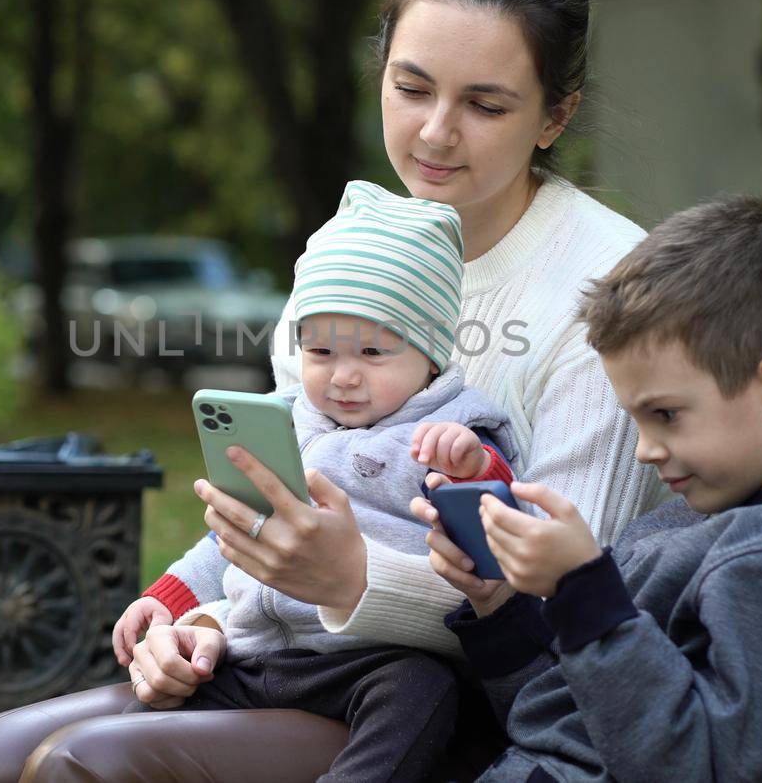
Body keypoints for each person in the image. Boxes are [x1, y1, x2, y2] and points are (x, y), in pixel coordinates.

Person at [0, 0, 664, 783]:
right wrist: (188, 620)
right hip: (281, 663)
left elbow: (567, 603)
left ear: (555, 115)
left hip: (463, 706)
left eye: (485, 106)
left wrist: (353, 577)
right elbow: (287, 492)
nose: (436, 132)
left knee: (77, 770)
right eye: (410, 86)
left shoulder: (605, 284)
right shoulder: (351, 254)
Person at [414, 196, 762, 782]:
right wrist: (499, 605)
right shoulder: (681, 524)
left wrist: (582, 589)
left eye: (665, 415)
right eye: (636, 420)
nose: (645, 449)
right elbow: (567, 727)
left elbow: (688, 767)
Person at [115, 180, 521, 783]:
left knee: (420, 690)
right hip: (260, 649)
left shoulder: (451, 428)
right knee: (167, 682)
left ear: (432, 355)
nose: (344, 377)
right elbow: (236, 533)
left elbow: (504, 529)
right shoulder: (290, 424)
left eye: (373, 354)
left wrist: (473, 469)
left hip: (372, 657)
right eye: (322, 351)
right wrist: (172, 598)